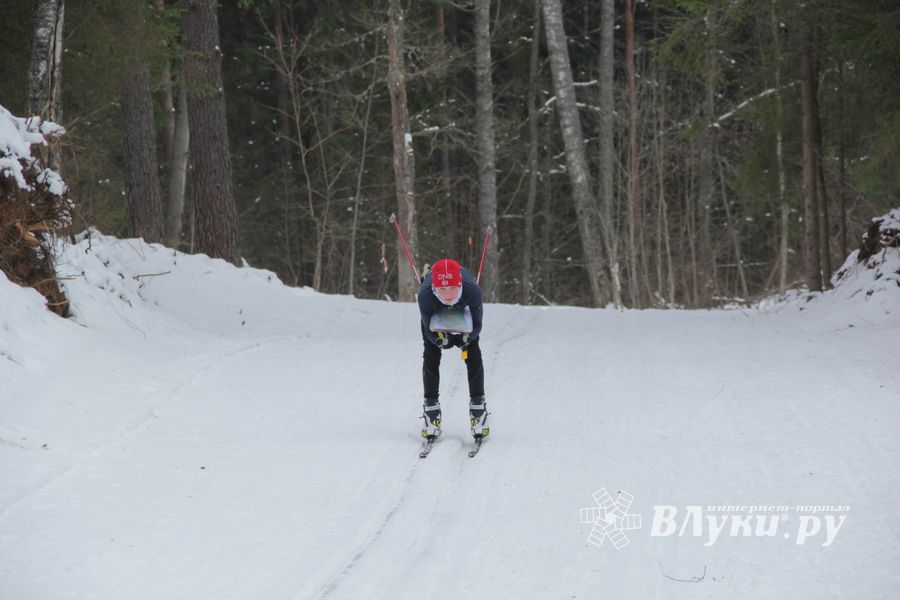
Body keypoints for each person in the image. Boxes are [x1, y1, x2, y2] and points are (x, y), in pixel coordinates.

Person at [416, 258, 488, 442]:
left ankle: (478, 408)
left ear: (460, 284)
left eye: (452, 288)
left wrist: (467, 338)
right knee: (431, 353)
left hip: (463, 310)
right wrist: (440, 341)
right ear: (434, 287)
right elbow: (427, 328)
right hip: (435, 312)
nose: (447, 294)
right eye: (442, 289)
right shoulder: (425, 293)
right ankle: (431, 410)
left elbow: (477, 325)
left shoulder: (472, 290)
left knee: (472, 352)